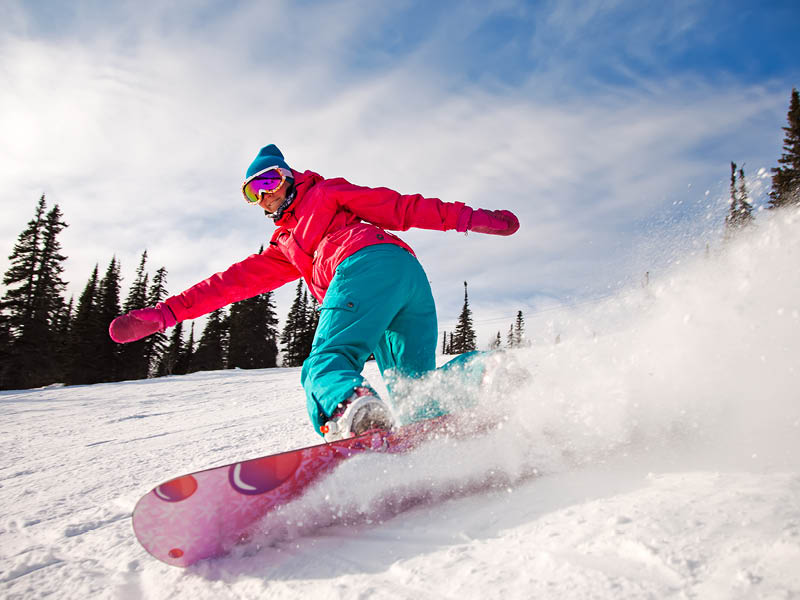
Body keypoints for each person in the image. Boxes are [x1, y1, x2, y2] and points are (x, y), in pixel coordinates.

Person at [109, 144, 519, 441]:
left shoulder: (325, 194)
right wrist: (167, 313)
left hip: (364, 264)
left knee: (325, 363)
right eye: (253, 192)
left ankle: (350, 409)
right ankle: (485, 375)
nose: (265, 194)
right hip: (407, 278)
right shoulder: (284, 247)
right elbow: (226, 285)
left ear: (288, 177)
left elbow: (402, 207)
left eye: (269, 181)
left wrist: (469, 218)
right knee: (415, 393)